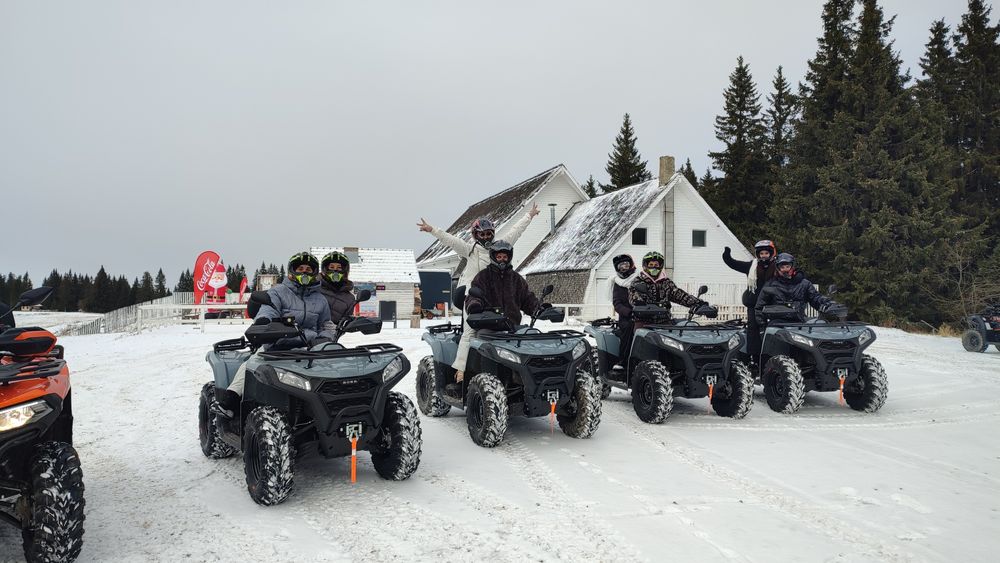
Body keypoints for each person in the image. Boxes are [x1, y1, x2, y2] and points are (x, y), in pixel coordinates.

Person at [417, 204, 540, 387]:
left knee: (512, 329)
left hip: (494, 295)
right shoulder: (470, 250)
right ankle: (461, 370)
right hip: (472, 295)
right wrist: (432, 230)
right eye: (482, 234)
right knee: (470, 330)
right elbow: (450, 240)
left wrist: (529, 216)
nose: (485, 237)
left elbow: (516, 231)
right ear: (476, 235)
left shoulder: (499, 248)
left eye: (488, 234)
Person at [218, 252, 333, 416]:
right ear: (291, 271)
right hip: (277, 345)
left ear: (315, 273)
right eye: (300, 268)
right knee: (252, 364)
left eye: (309, 269)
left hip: (310, 348)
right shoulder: (278, 292)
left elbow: (326, 324)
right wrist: (263, 322)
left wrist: (326, 337)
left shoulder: (320, 299)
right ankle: (231, 399)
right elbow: (268, 309)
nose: (305, 273)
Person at [456, 240, 547, 396]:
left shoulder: (516, 279)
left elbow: (527, 299)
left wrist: (539, 309)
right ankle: (485, 382)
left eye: (505, 256)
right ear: (493, 257)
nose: (502, 259)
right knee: (483, 342)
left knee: (531, 336)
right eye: (499, 256)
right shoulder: (482, 277)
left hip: (512, 327)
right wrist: (474, 305)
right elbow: (473, 295)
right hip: (489, 327)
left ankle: (530, 380)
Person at [723, 240, 777, 361]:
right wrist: (727, 255)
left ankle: (770, 356)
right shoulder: (751, 266)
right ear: (758, 254)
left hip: (772, 305)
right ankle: (754, 358)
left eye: (766, 253)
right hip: (753, 304)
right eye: (761, 253)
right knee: (753, 330)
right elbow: (734, 264)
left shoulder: (777, 266)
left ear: (771, 253)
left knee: (771, 330)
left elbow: (789, 271)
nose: (764, 255)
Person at [754, 253, 836, 330]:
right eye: (782, 267)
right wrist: (762, 326)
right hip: (777, 325)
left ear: (792, 266)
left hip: (799, 322)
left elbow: (815, 298)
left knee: (817, 328)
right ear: (778, 269)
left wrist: (826, 303)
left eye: (787, 266)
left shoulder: (804, 284)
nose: (785, 270)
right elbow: (760, 307)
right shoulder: (770, 285)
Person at [609, 254, 638, 370]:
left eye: (626, 264)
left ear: (631, 264)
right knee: (628, 329)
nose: (624, 267)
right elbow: (617, 303)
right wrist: (628, 312)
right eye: (621, 265)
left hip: (644, 313)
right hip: (627, 317)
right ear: (617, 268)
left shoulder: (639, 278)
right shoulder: (617, 283)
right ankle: (624, 361)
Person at [318, 251, 356, 324]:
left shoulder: (349, 298)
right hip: (307, 333)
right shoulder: (314, 288)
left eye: (339, 267)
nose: (335, 270)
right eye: (331, 267)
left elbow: (345, 324)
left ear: (345, 270)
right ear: (325, 269)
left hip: (331, 334)